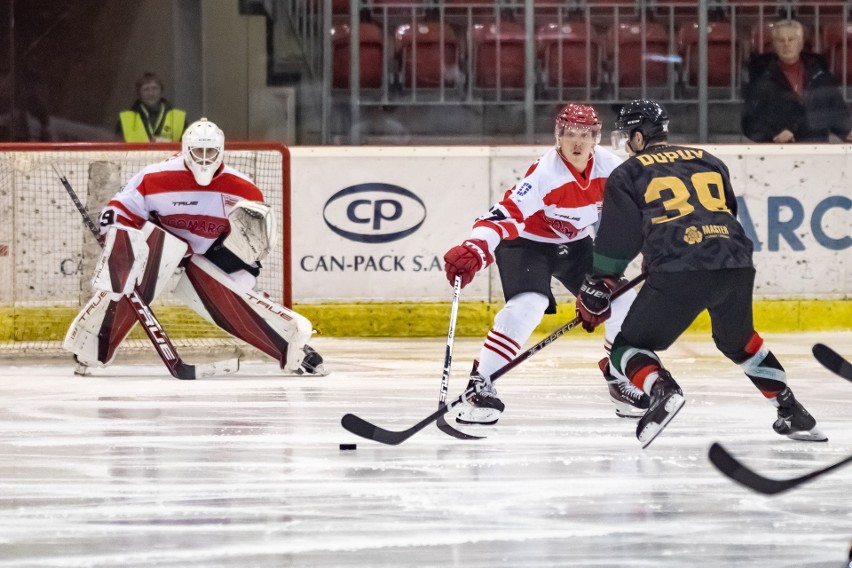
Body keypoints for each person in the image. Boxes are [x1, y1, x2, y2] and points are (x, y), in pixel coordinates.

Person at [576, 99, 826, 448]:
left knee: (627, 348)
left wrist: (601, 281)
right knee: (740, 342)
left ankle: (663, 390)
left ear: (637, 136)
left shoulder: (628, 173)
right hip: (735, 262)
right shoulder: (708, 159)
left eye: (625, 136)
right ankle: (791, 409)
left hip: (681, 267)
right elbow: (722, 213)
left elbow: (619, 238)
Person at [64, 118, 325, 376]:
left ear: (221, 151)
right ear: (185, 150)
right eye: (197, 151)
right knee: (126, 268)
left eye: (210, 151)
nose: (203, 158)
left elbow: (251, 244)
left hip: (212, 256)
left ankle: (292, 349)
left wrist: (244, 278)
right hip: (161, 249)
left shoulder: (245, 189)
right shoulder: (154, 177)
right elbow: (118, 210)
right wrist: (119, 239)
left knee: (243, 299)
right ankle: (92, 345)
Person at [442, 103, 648, 426]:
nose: (577, 143)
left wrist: (648, 252)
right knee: (530, 304)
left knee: (620, 297)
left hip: (576, 245)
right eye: (569, 134)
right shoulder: (546, 173)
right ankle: (480, 383)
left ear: (596, 139)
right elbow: (504, 214)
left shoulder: (612, 170)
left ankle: (618, 376)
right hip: (526, 243)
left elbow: (621, 222)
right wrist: (476, 247)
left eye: (584, 135)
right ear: (558, 137)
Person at [742, 19, 852, 143]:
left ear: (800, 43)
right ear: (774, 45)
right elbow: (750, 121)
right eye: (781, 40)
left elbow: (836, 110)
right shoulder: (761, 79)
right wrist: (773, 136)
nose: (786, 44)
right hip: (778, 153)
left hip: (817, 150)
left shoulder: (819, 74)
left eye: (791, 39)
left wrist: (847, 131)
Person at [117, 72, 186, 142]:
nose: (151, 93)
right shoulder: (125, 119)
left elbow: (188, 147)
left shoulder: (178, 117)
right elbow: (117, 150)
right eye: (146, 89)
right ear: (139, 94)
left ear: (161, 91)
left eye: (154, 88)